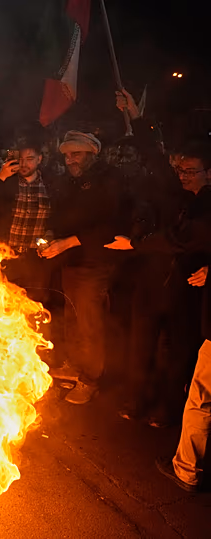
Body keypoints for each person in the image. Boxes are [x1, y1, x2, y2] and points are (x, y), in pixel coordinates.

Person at [104, 142, 211, 492]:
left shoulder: (206, 206)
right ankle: (137, 400)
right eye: (180, 169)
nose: (183, 175)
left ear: (209, 172)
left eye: (190, 170)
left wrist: (134, 245)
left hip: (186, 292)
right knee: (141, 345)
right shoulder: (172, 195)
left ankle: (166, 413)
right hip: (152, 285)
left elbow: (180, 240)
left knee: (179, 355)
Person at [41, 130, 128, 404]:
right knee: (72, 316)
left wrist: (68, 243)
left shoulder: (110, 179)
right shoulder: (70, 181)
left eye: (76, 154)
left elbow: (111, 226)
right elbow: (62, 214)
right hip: (71, 261)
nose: (70, 160)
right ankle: (75, 366)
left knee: (89, 321)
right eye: (66, 155)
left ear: (92, 153)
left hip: (95, 263)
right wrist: (51, 237)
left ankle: (91, 378)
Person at [0, 140, 53, 304]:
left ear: (39, 159)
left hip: (36, 258)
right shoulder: (7, 182)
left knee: (35, 305)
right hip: (8, 255)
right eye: (20, 159)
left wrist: (48, 237)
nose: (24, 164)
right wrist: (1, 177)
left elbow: (55, 218)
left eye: (30, 158)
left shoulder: (50, 185)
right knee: (5, 306)